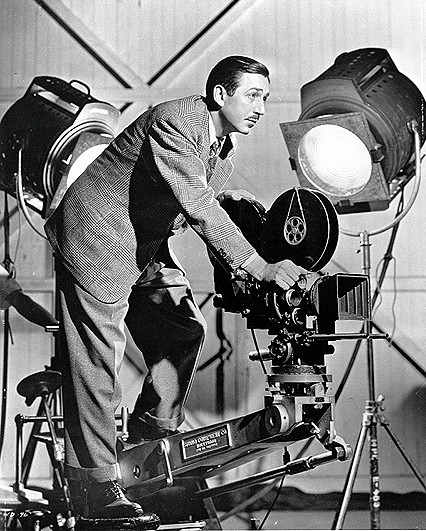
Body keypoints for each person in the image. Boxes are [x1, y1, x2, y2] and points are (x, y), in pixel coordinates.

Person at [44, 55, 308, 521]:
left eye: (265, 98)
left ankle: (150, 446)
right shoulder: (175, 120)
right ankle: (96, 485)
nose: (261, 108)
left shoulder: (221, 146)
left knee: (184, 329)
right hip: (96, 236)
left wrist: (232, 205)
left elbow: (189, 196)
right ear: (220, 94)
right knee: (98, 359)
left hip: (143, 240)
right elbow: (196, 203)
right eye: (252, 95)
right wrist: (257, 265)